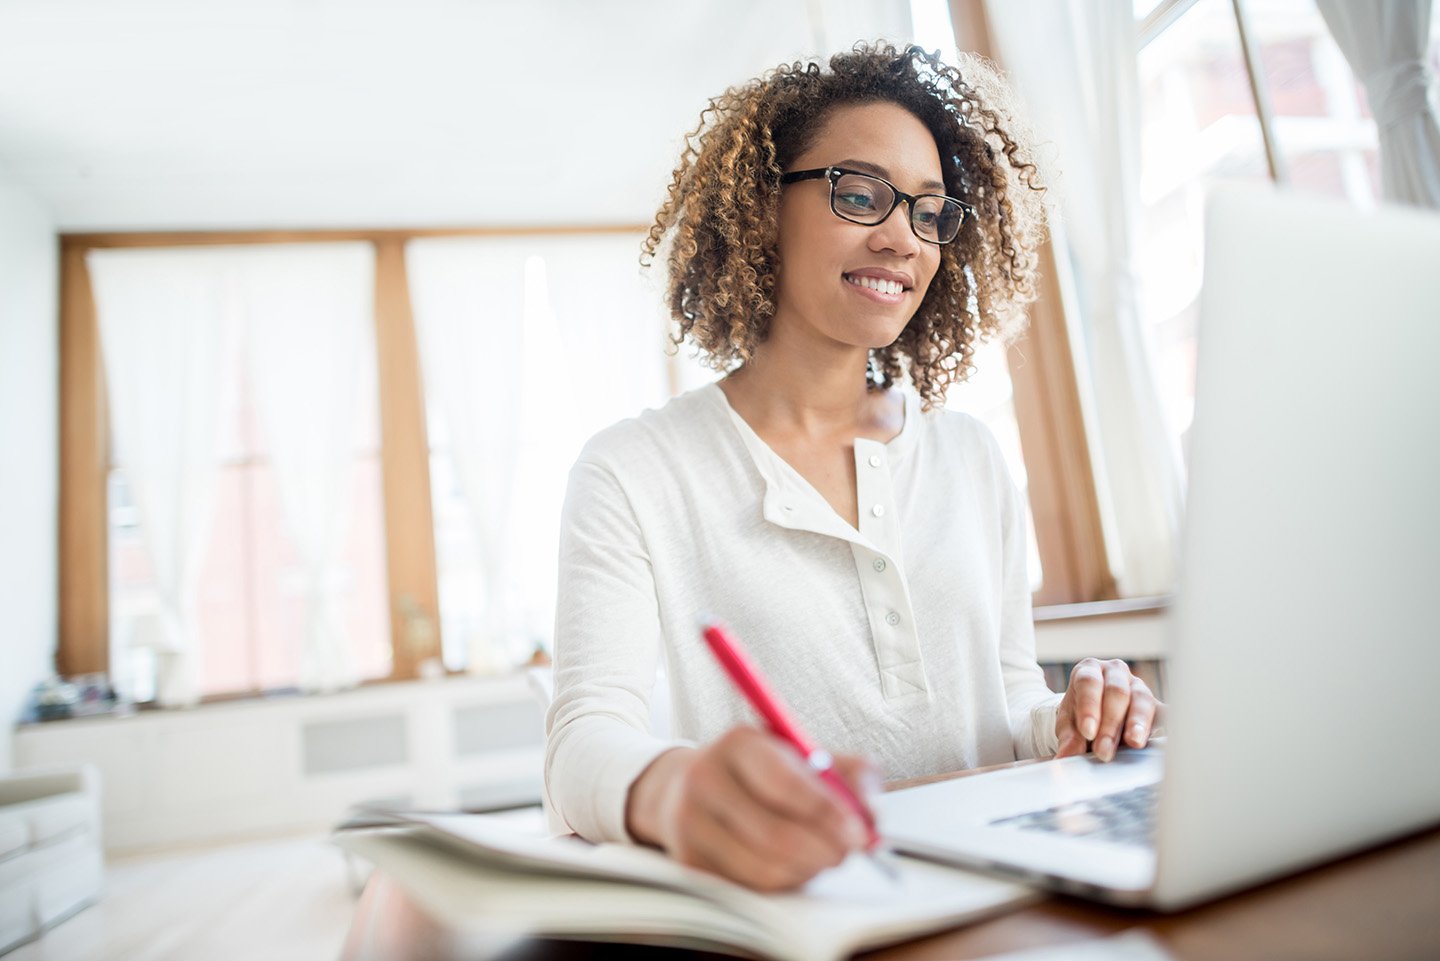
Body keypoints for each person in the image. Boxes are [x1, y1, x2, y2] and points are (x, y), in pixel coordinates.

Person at [544, 42, 1159, 892]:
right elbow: (582, 739)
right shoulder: (634, 471)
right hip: (813, 902)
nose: (903, 237)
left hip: (1007, 884)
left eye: (931, 212)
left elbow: (1008, 695)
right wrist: (674, 789)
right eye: (861, 193)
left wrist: (1072, 713)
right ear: (763, 210)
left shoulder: (969, 455)